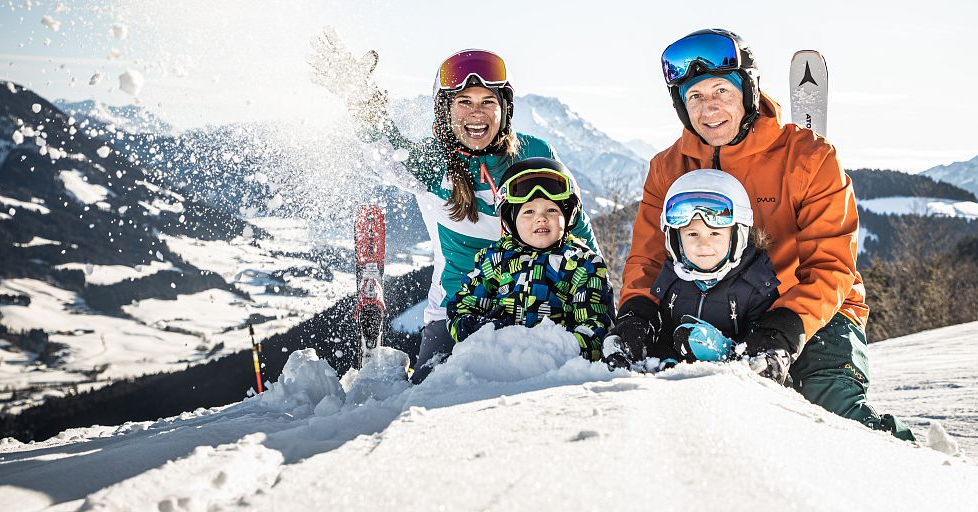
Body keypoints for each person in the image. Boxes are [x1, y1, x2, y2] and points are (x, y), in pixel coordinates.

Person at [608, 28, 914, 441]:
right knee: (656, 404)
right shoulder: (667, 168)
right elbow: (647, 258)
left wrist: (784, 327)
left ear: (748, 91)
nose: (709, 107)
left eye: (721, 91)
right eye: (694, 96)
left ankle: (918, 472)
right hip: (708, 305)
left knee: (829, 414)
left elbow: (832, 265)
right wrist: (637, 313)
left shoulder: (809, 159)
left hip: (809, 313)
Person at [307, 30, 598, 382]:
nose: (477, 113)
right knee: (432, 396)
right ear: (446, 110)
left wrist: (598, 305)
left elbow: (578, 231)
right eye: (464, 102)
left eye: (487, 101)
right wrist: (363, 106)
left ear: (504, 110)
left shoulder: (534, 154)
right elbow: (387, 152)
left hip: (540, 307)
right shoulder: (433, 163)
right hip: (453, 313)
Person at [604, 169, 777, 367]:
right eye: (692, 234)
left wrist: (722, 350)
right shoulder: (671, 279)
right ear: (676, 240)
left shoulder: (756, 287)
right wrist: (662, 357)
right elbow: (665, 333)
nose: (703, 244)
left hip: (729, 387)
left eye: (714, 234)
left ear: (737, 237)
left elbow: (760, 349)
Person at [448, 158, 613, 360]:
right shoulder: (494, 259)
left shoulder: (583, 264)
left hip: (556, 365)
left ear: (568, 216)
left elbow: (594, 328)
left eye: (552, 210)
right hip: (497, 360)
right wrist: (477, 329)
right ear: (511, 220)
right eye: (528, 212)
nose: (541, 218)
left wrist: (556, 348)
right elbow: (465, 306)